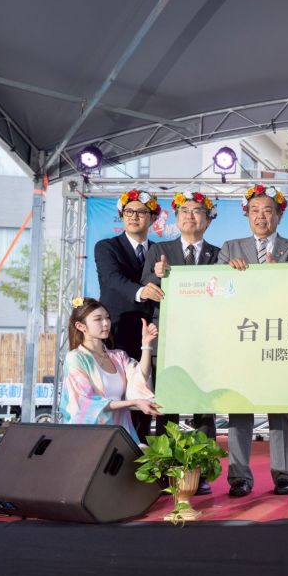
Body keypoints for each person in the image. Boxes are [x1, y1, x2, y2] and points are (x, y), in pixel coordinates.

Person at [218, 185, 288, 498]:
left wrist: (285, 274)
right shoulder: (230, 248)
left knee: (281, 408)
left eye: (267, 210)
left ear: (279, 215)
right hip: (242, 338)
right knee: (239, 408)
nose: (261, 216)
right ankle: (239, 477)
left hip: (281, 337)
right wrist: (228, 273)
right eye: (255, 210)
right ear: (247, 214)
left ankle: (284, 475)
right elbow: (217, 290)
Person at [142, 191, 221, 495]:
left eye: (197, 211)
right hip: (169, 340)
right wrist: (156, 275)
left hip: (205, 343)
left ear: (208, 220)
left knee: (204, 409)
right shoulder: (159, 250)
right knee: (168, 407)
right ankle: (168, 471)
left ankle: (202, 474)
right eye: (184, 211)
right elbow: (144, 286)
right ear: (176, 218)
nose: (190, 216)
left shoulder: (219, 254)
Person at [94, 189, 161, 440]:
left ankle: (142, 450)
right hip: (118, 335)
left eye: (141, 212)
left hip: (151, 337)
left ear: (153, 218)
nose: (134, 216)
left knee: (144, 396)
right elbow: (112, 280)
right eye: (129, 211)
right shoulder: (106, 247)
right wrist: (142, 291)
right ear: (122, 216)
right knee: (117, 395)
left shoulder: (160, 251)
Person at [59, 297, 161, 444]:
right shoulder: (76, 358)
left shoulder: (118, 356)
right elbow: (86, 402)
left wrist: (146, 345)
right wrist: (133, 402)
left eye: (107, 318)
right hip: (89, 437)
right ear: (81, 326)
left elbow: (140, 379)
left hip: (120, 434)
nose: (106, 323)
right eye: (98, 319)